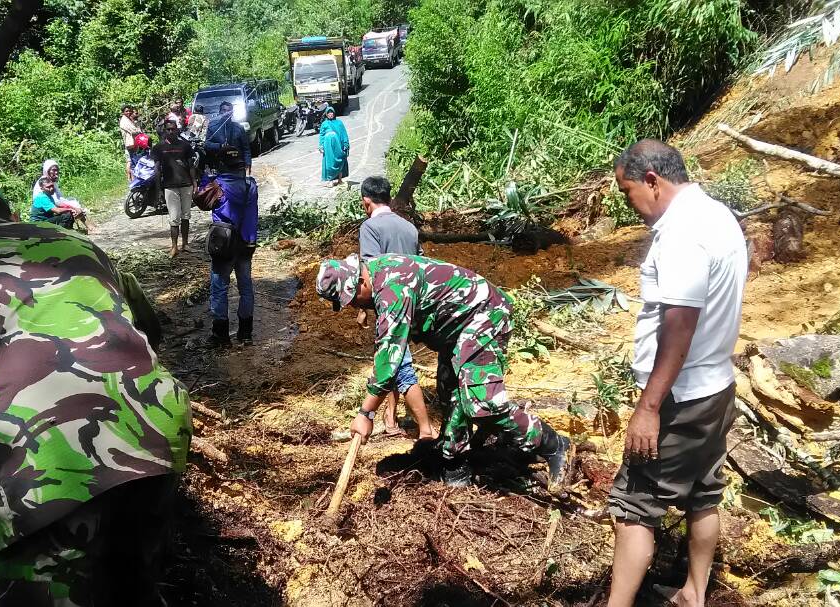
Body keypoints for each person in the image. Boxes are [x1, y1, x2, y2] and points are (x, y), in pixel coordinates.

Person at [0, 151, 191, 606]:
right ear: (3, 207)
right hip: (158, 430)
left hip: (43, 456)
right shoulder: (78, 246)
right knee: (128, 588)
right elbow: (148, 327)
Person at [605, 140, 746, 607]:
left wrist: (648, 406)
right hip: (716, 387)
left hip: (679, 397)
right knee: (704, 494)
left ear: (652, 181)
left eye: (628, 193)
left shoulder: (683, 234)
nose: (631, 206)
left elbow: (679, 326)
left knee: (634, 508)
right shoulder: (718, 215)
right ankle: (694, 592)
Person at [316, 254, 571, 488]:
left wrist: (366, 413)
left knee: (481, 402)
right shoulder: (376, 276)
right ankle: (455, 461)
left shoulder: (392, 287)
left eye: (353, 300)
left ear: (360, 282)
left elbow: (389, 360)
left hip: (483, 316)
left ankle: (552, 444)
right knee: (450, 392)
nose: (355, 306)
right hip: (457, 331)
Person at [357, 176, 436, 440]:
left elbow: (370, 271)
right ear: (389, 198)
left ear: (366, 202)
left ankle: (415, 425)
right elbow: (422, 263)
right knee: (395, 355)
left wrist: (362, 308)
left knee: (394, 358)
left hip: (389, 301)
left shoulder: (370, 227)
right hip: (416, 300)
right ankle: (391, 417)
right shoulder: (408, 227)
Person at [204, 100, 257, 346]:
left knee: (219, 287)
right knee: (245, 287)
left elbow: (201, 197)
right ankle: (246, 333)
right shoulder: (251, 186)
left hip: (224, 246)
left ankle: (221, 334)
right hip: (246, 243)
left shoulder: (217, 186)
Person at [152, 119, 196, 257]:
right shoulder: (159, 148)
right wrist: (158, 188)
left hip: (186, 184)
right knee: (174, 217)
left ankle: (185, 244)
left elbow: (191, 166)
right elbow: (157, 169)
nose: (171, 131)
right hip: (170, 186)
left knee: (186, 216)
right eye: (168, 129)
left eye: (173, 129)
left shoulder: (185, 146)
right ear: (164, 131)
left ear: (177, 130)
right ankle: (174, 246)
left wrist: (194, 183)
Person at [319, 106, 349, 187]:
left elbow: (344, 133)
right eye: (328, 113)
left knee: (340, 160)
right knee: (330, 163)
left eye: (331, 112)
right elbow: (321, 135)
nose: (330, 114)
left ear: (334, 113)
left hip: (338, 145)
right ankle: (330, 180)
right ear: (326, 114)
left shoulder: (339, 123)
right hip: (328, 147)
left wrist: (346, 144)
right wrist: (321, 146)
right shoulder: (324, 124)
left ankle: (339, 180)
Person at [120, 104, 143, 180]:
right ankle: (134, 179)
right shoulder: (124, 121)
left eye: (129, 111)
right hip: (130, 144)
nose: (128, 112)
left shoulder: (128, 119)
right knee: (133, 162)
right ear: (123, 112)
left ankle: (134, 179)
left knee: (132, 162)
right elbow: (133, 130)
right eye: (126, 111)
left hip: (134, 144)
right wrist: (139, 131)